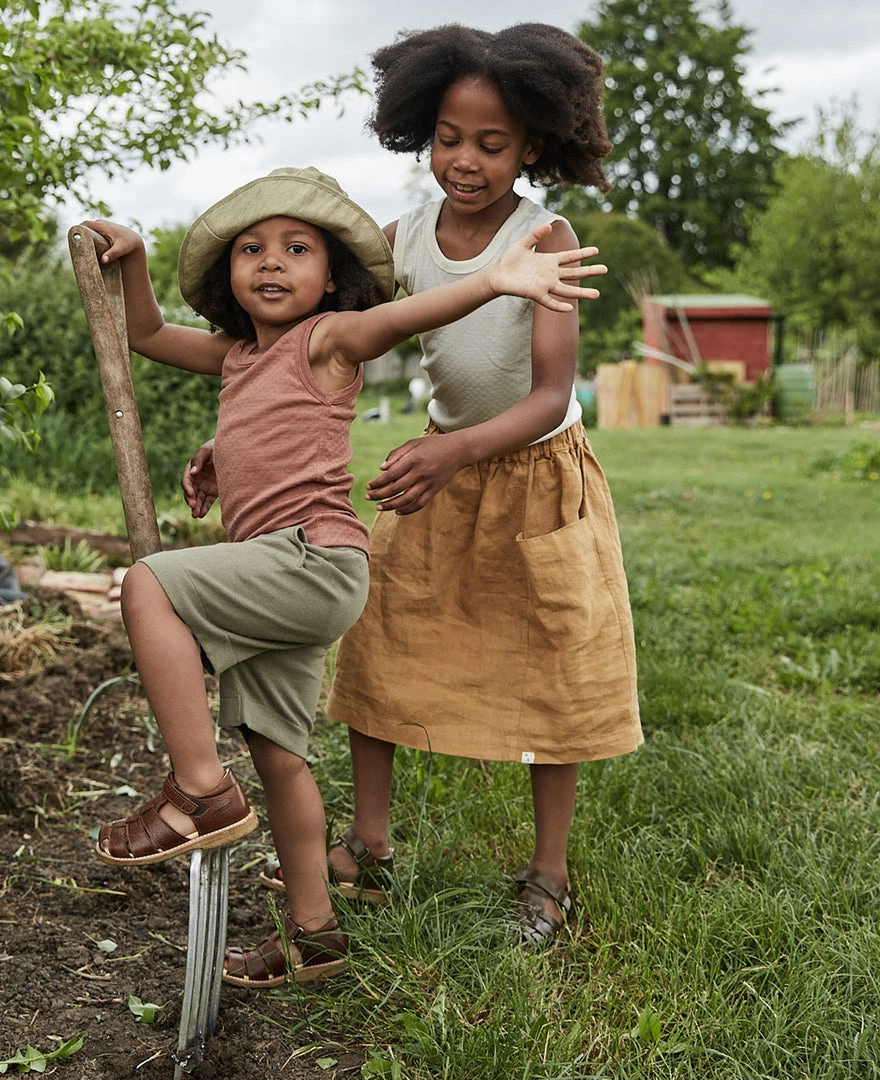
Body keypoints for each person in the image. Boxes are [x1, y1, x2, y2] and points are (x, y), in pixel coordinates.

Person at [81, 164, 607, 987]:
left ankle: (198, 791)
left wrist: (497, 280)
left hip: (311, 561)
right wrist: (137, 258)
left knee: (149, 582)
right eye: (251, 249)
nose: (272, 262)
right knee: (278, 751)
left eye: (298, 248)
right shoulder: (235, 359)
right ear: (228, 275)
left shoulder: (328, 340)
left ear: (335, 279)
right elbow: (145, 337)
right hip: (275, 576)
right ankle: (316, 933)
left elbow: (403, 316)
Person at [186, 24, 643, 947]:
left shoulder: (541, 237)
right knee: (380, 653)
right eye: (446, 136)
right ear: (418, 131)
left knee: (557, 665)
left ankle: (548, 876)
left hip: (534, 476)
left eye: (491, 143)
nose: (464, 160)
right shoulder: (402, 242)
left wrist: (457, 450)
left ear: (535, 147)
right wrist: (228, 439)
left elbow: (551, 394)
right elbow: (304, 364)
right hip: (435, 474)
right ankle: (368, 845)